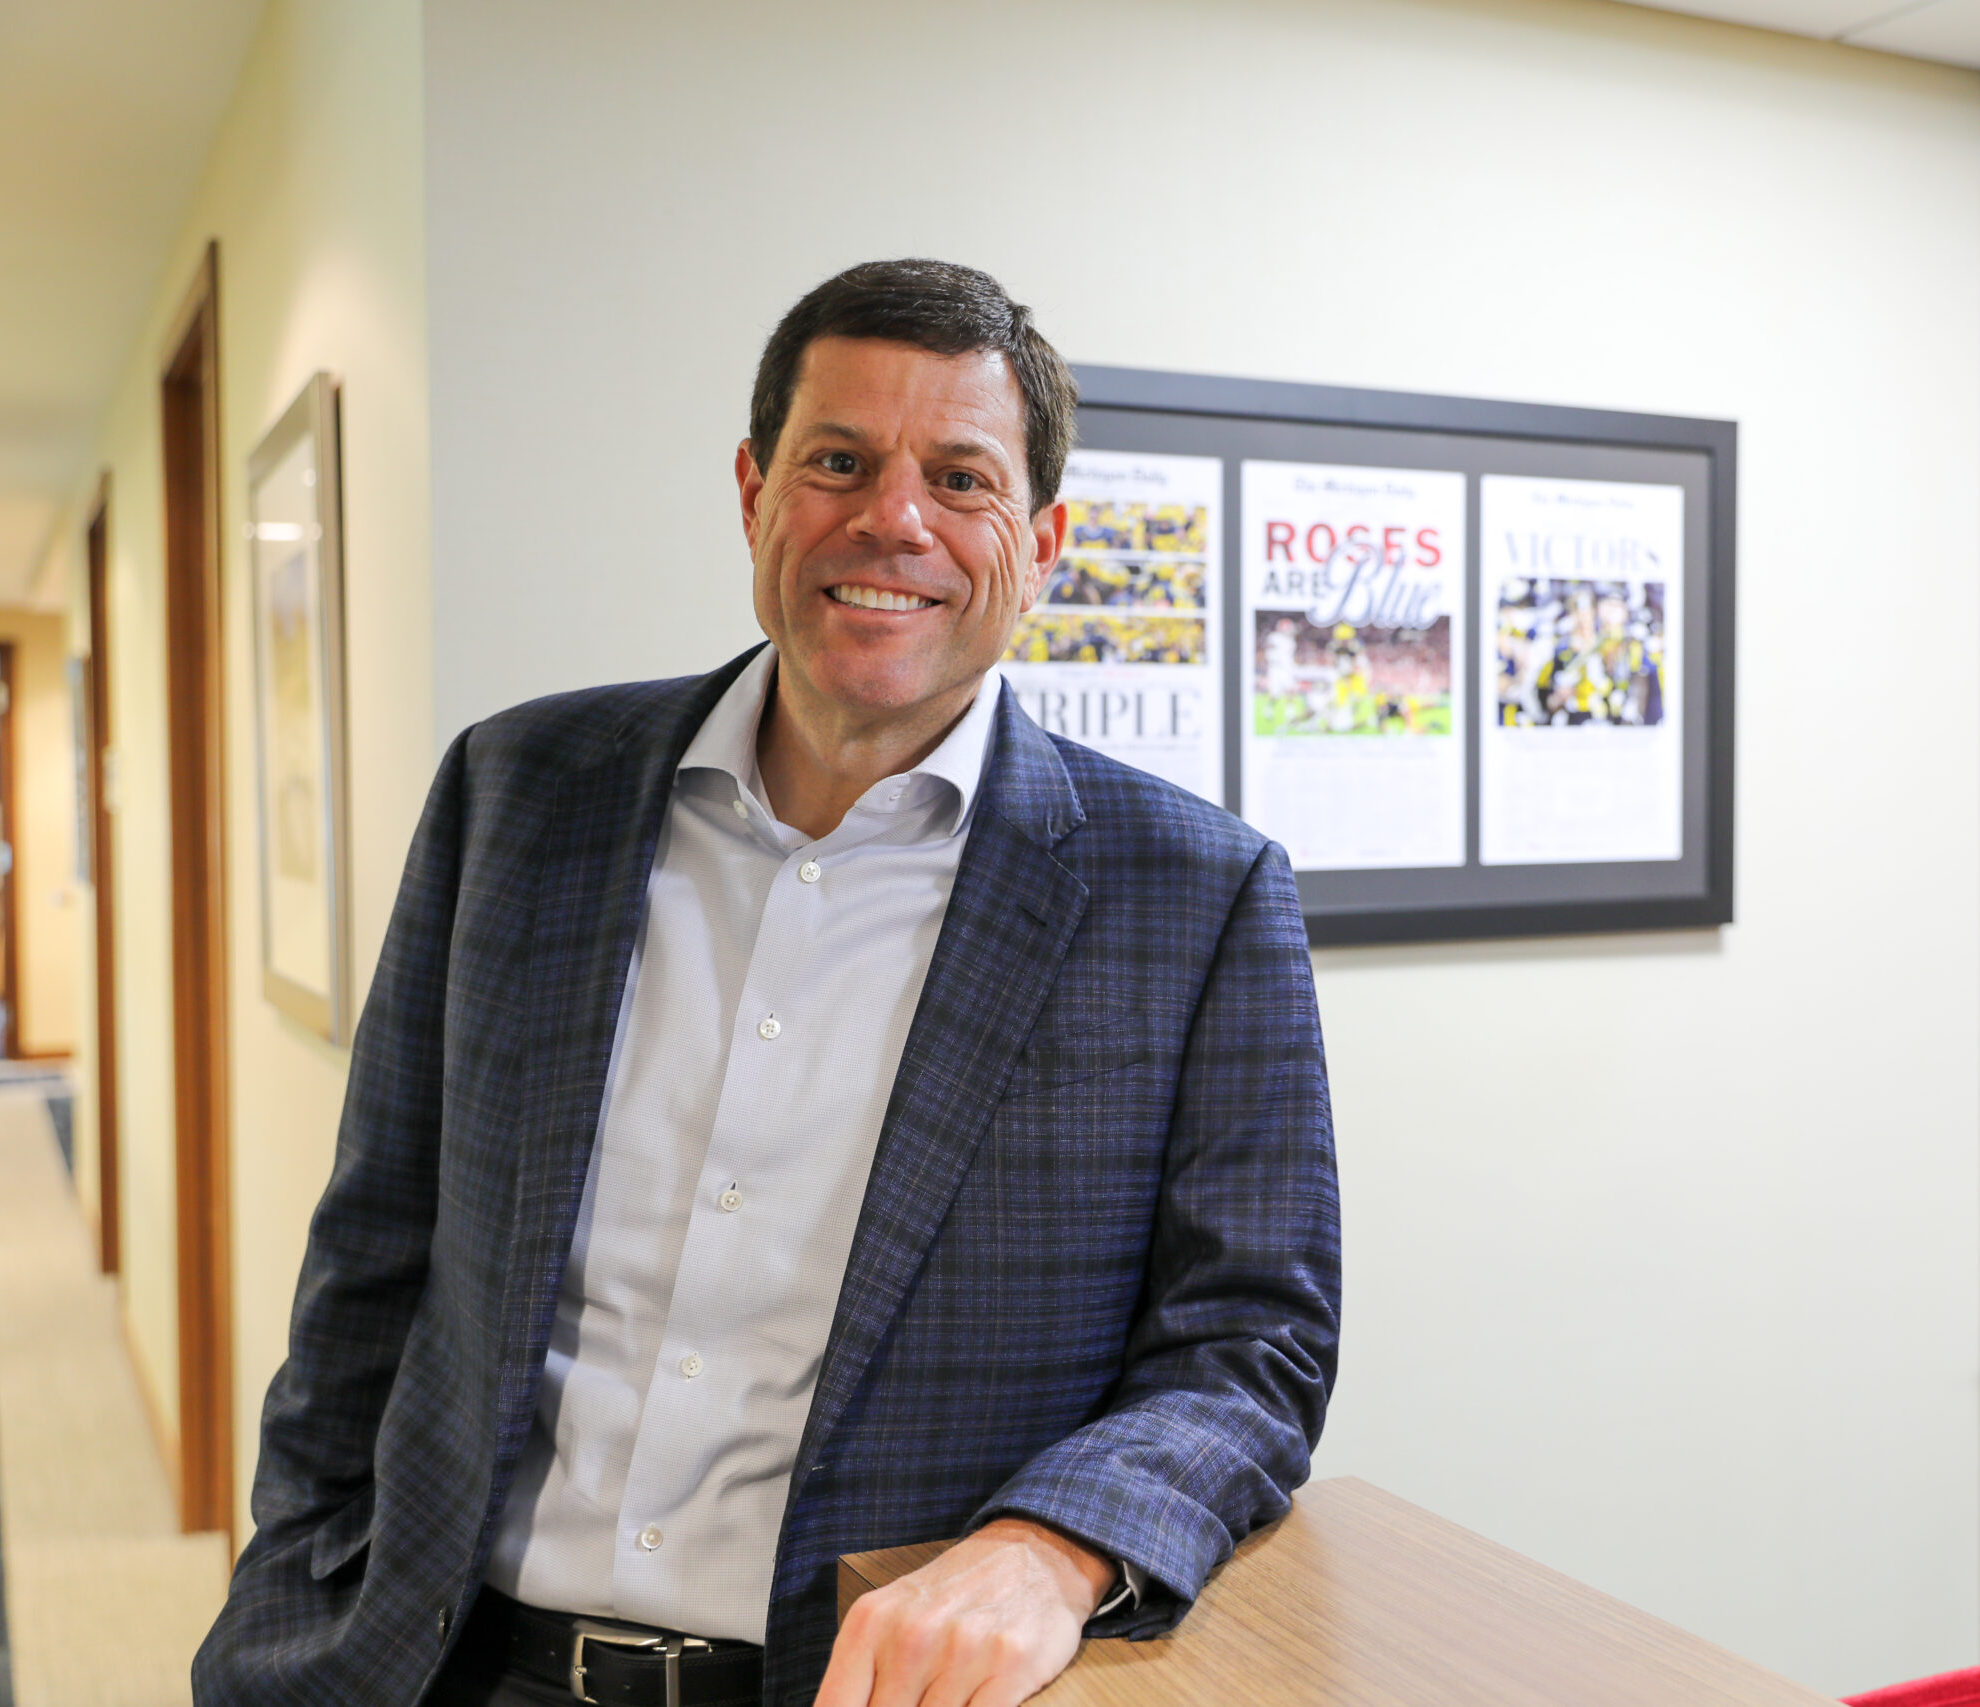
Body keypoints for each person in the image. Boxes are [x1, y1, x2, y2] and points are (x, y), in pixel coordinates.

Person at [194, 258, 1342, 1707]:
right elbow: (373, 1255)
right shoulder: (516, 793)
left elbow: (1252, 1345)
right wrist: (286, 1605)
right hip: (447, 1665)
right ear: (753, 494)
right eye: (839, 463)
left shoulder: (1195, 895)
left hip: (845, 1688)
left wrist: (1051, 1548)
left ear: (1042, 540)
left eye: (961, 478)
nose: (894, 520)